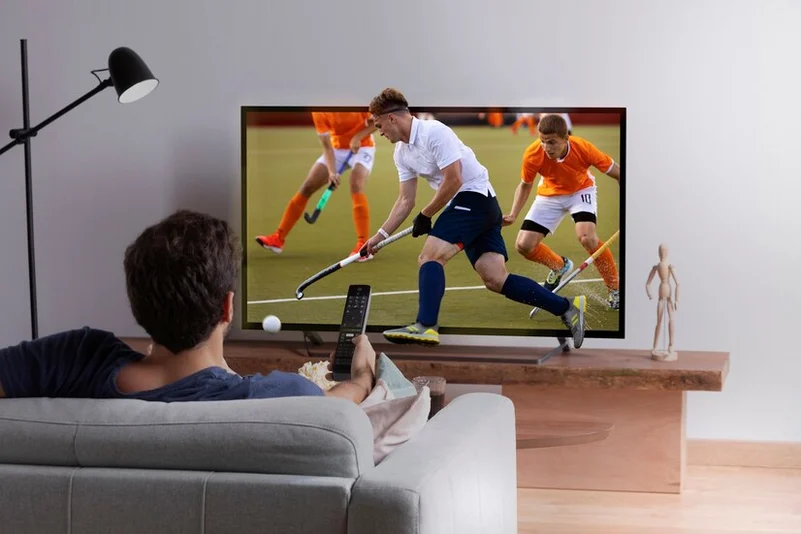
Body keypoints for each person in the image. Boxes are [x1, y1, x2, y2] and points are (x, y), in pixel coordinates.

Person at [0, 210, 376, 403]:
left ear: (137, 304)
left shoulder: (77, 357)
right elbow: (334, 408)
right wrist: (362, 377)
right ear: (227, 308)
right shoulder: (262, 398)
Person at [361, 88, 587, 347]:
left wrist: (426, 215)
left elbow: (454, 179)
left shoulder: (434, 132)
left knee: (430, 257)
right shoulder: (401, 153)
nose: (379, 131)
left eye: (379, 124)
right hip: (474, 205)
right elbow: (405, 200)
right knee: (495, 278)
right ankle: (567, 308)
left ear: (392, 118)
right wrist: (380, 236)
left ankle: (425, 325)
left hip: (474, 197)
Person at [503, 114, 621, 310]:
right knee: (524, 245)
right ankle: (559, 266)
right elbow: (525, 185)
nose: (547, 148)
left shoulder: (583, 148)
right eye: (542, 142)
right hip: (549, 194)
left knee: (587, 238)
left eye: (552, 142)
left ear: (566, 138)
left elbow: (618, 173)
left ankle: (614, 288)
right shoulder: (533, 154)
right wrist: (514, 214)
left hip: (580, 190)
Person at [255, 111, 378, 261]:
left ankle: (363, 246)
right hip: (335, 150)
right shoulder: (319, 111)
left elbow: (377, 122)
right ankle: (278, 239)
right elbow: (327, 147)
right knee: (307, 186)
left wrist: (358, 137)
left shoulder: (353, 100)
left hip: (363, 146)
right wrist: (332, 173)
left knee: (356, 184)